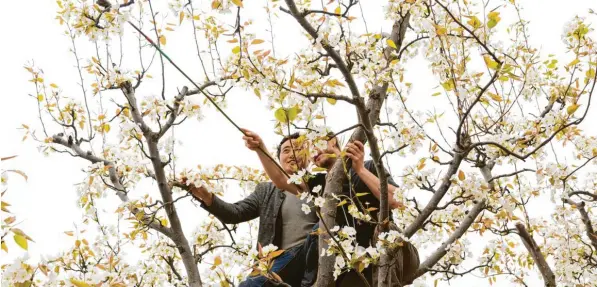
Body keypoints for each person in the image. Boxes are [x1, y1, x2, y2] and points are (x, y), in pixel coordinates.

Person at [242, 130, 400, 286]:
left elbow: (397, 201)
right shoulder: (317, 183)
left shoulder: (368, 166)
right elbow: (281, 180)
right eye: (309, 152)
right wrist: (260, 148)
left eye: (317, 145)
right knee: (321, 229)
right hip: (340, 265)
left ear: (332, 140)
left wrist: (360, 170)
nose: (314, 153)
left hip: (375, 256)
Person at [189, 133, 319, 287]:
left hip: (310, 253)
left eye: (298, 149)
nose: (292, 154)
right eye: (286, 151)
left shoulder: (320, 184)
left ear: (308, 155)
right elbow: (235, 213)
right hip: (277, 261)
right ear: (277, 160)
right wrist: (209, 198)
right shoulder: (266, 191)